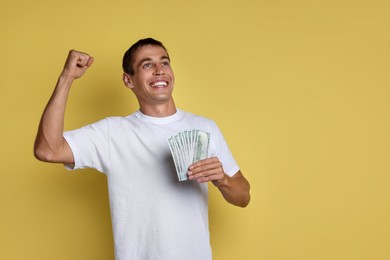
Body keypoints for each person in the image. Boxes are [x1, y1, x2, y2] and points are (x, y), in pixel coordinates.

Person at [34, 38, 250, 260]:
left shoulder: (204, 127)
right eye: (147, 65)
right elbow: (47, 150)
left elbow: (243, 196)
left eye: (164, 62)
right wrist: (66, 77)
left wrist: (222, 179)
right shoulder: (112, 132)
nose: (159, 70)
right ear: (129, 80)